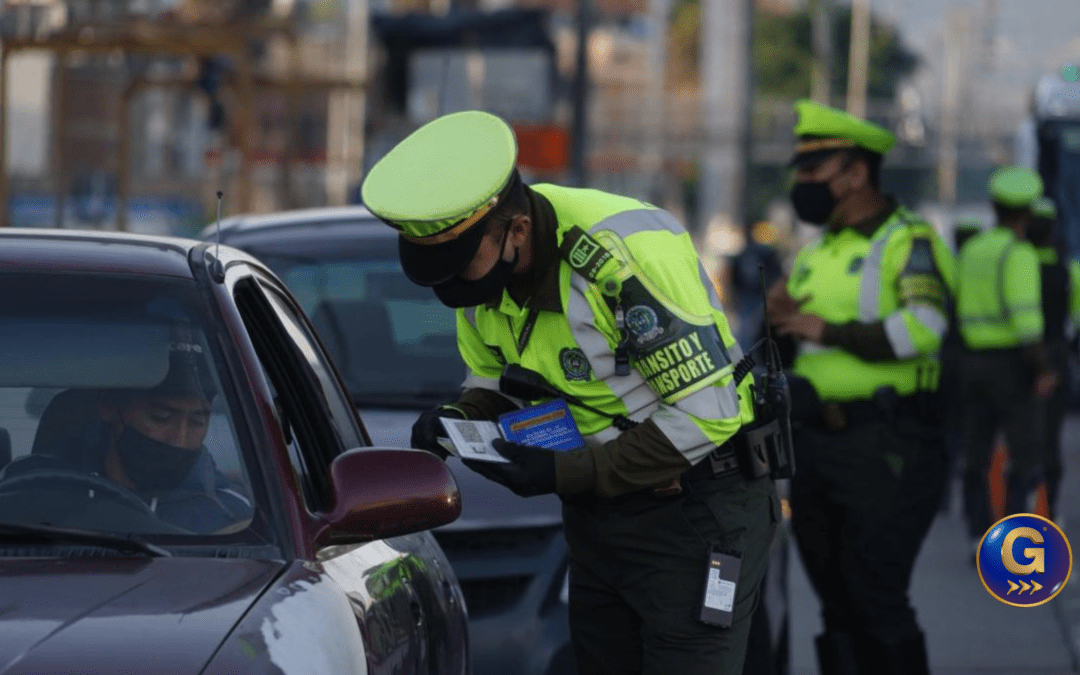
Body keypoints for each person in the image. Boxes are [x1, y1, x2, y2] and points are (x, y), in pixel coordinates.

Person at [360, 110, 779, 675]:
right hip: (598, 521)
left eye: (459, 265)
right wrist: (458, 419)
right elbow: (492, 380)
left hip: (700, 513)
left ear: (517, 230)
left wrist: (564, 474)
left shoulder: (619, 257)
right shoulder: (481, 284)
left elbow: (708, 415)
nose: (451, 286)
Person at [766, 100, 956, 675]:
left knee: (877, 596)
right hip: (817, 447)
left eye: (815, 170)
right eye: (801, 170)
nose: (803, 182)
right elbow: (790, 349)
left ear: (855, 173)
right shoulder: (814, 252)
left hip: (890, 443)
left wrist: (827, 328)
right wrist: (776, 323)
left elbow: (925, 329)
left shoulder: (909, 242)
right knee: (835, 604)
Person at [1, 343, 253, 533]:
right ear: (109, 407)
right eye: (161, 417)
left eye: (197, 421)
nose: (179, 439)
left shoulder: (235, 518)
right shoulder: (27, 490)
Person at [956, 167, 1059, 551]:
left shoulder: (971, 250)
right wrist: (1044, 369)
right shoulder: (1019, 253)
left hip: (972, 363)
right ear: (1028, 212)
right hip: (1011, 367)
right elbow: (1026, 322)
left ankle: (978, 531)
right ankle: (1012, 536)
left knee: (976, 453)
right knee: (1025, 453)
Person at [1026, 195, 1076, 520]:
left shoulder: (1017, 264)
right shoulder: (1068, 269)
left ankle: (1021, 507)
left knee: (1023, 436)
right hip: (1056, 357)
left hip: (1020, 357)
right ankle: (1050, 509)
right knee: (1050, 438)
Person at [729, 220, 784, 350]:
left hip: (756, 297)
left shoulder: (760, 253)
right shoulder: (761, 253)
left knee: (751, 328)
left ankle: (751, 352)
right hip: (751, 297)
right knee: (750, 328)